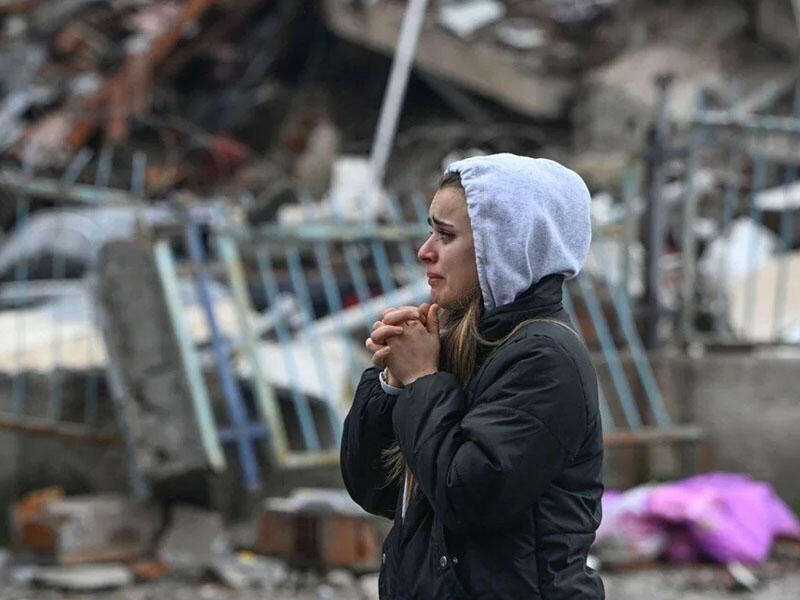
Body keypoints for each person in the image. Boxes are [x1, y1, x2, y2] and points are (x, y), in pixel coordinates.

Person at [340, 153, 604, 599]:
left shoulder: (545, 359)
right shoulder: (456, 339)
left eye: (446, 235)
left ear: (503, 245)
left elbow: (469, 496)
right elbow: (376, 489)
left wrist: (422, 380)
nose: (425, 251)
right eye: (430, 231)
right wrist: (391, 384)